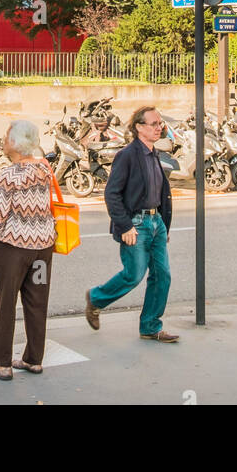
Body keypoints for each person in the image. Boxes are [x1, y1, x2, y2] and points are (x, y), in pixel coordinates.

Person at [0, 120, 56, 381]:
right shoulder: (45, 171)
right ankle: (33, 359)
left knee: (6, 304)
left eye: (7, 135)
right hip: (43, 249)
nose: (4, 139)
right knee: (37, 303)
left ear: (16, 143)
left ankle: (1, 363)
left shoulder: (8, 175)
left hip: (14, 250)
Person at [85, 105, 177, 343]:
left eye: (160, 124)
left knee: (162, 276)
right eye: (154, 124)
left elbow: (160, 192)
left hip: (156, 222)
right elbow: (112, 194)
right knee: (133, 275)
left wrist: (163, 225)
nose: (159, 128)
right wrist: (125, 226)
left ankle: (150, 326)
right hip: (136, 223)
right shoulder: (127, 155)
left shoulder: (154, 153)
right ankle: (96, 299)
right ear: (139, 127)